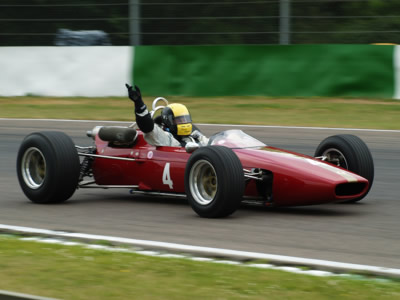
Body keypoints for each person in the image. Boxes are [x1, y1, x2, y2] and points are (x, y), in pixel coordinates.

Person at [126, 84, 209, 147]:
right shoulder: (167, 138)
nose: (184, 123)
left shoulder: (195, 135)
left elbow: (211, 142)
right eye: (179, 120)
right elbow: (147, 127)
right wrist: (139, 104)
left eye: (185, 119)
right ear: (169, 122)